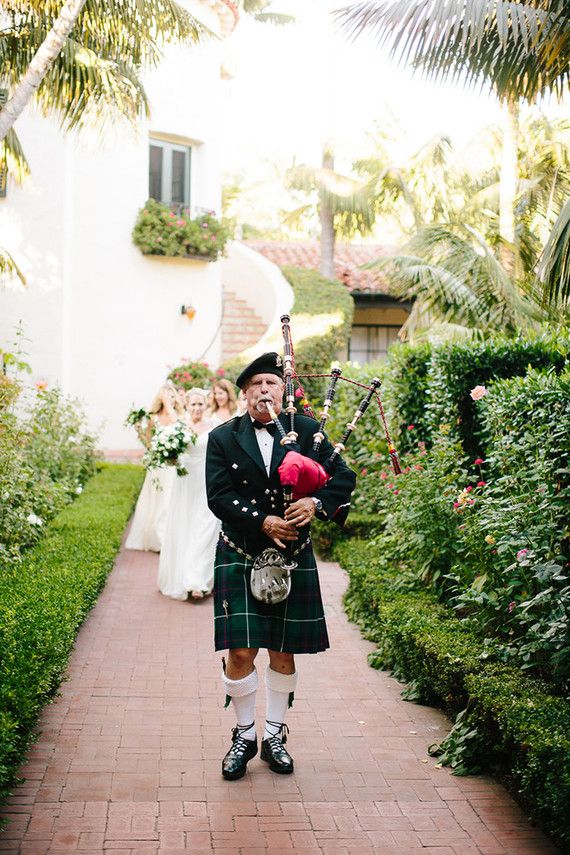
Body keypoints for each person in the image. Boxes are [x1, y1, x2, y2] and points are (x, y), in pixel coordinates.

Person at [206, 352, 356, 781]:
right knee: (240, 651)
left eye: (271, 383)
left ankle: (274, 734)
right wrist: (263, 520)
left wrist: (316, 502)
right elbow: (217, 495)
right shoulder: (223, 438)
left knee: (283, 651)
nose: (264, 391)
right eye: (255, 385)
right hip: (242, 551)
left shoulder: (307, 431)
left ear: (283, 390)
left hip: (291, 560)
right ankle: (244, 733)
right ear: (245, 394)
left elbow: (343, 478)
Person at [158, 388, 221, 600]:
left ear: (206, 405)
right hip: (184, 481)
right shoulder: (178, 427)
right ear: (187, 405)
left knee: (206, 526)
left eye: (200, 404)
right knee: (184, 527)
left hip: (206, 480)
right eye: (193, 404)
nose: (196, 408)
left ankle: (198, 580)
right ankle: (182, 576)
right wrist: (170, 458)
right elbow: (168, 454)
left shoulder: (214, 425)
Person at [125, 382, 182, 552]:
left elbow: (182, 432)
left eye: (172, 396)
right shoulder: (154, 417)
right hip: (158, 465)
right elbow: (149, 443)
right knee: (157, 501)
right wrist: (139, 431)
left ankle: (166, 538)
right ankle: (157, 539)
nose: (169, 399)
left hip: (173, 466)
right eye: (166, 396)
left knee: (169, 502)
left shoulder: (179, 416)